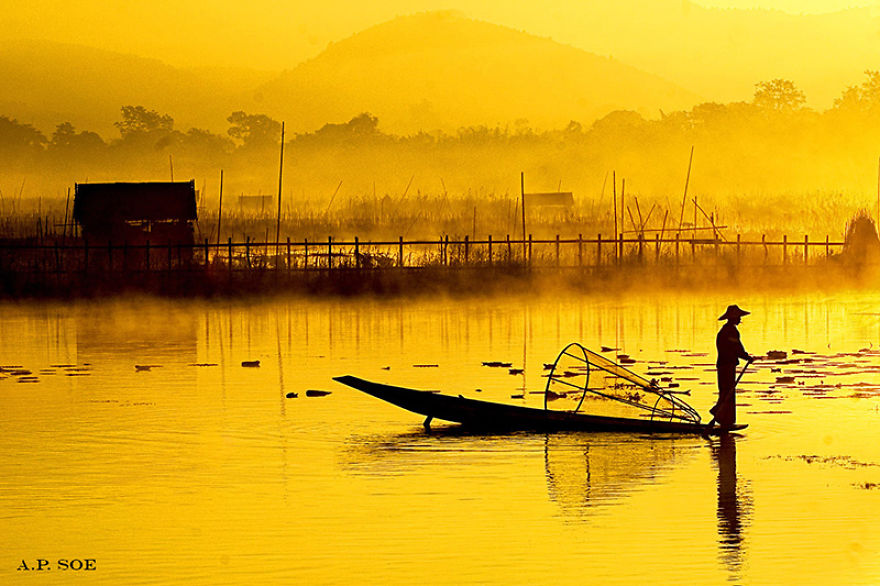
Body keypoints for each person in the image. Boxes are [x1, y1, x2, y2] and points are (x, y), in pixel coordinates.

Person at [710, 305, 753, 430]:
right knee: (728, 391)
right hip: (727, 365)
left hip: (724, 364)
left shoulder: (725, 330)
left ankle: (724, 418)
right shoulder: (730, 331)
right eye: (738, 317)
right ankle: (720, 415)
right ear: (733, 318)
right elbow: (737, 348)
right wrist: (747, 357)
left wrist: (744, 356)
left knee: (725, 391)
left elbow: (735, 348)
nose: (740, 319)